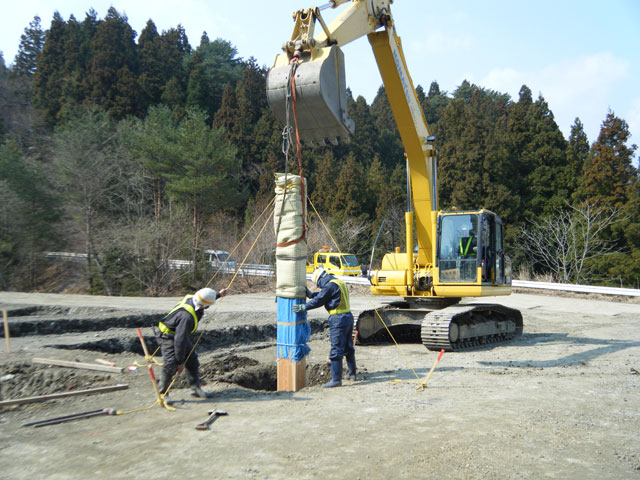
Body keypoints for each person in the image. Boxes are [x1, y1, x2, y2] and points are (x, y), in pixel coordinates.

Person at [155, 287, 228, 398]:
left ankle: (195, 389)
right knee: (171, 364)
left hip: (178, 333)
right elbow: (180, 341)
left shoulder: (192, 298)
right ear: (203, 305)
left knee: (192, 360)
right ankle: (162, 393)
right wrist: (179, 362)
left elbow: (204, 298)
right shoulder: (186, 317)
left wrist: (218, 294)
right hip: (167, 336)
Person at [292, 267, 356, 388]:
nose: (319, 286)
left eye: (318, 283)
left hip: (338, 319)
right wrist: (312, 295)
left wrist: (304, 307)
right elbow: (326, 294)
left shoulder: (329, 286)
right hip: (348, 317)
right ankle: (352, 374)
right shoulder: (338, 282)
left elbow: (320, 299)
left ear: (320, 279)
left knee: (336, 349)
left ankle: (336, 380)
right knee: (348, 347)